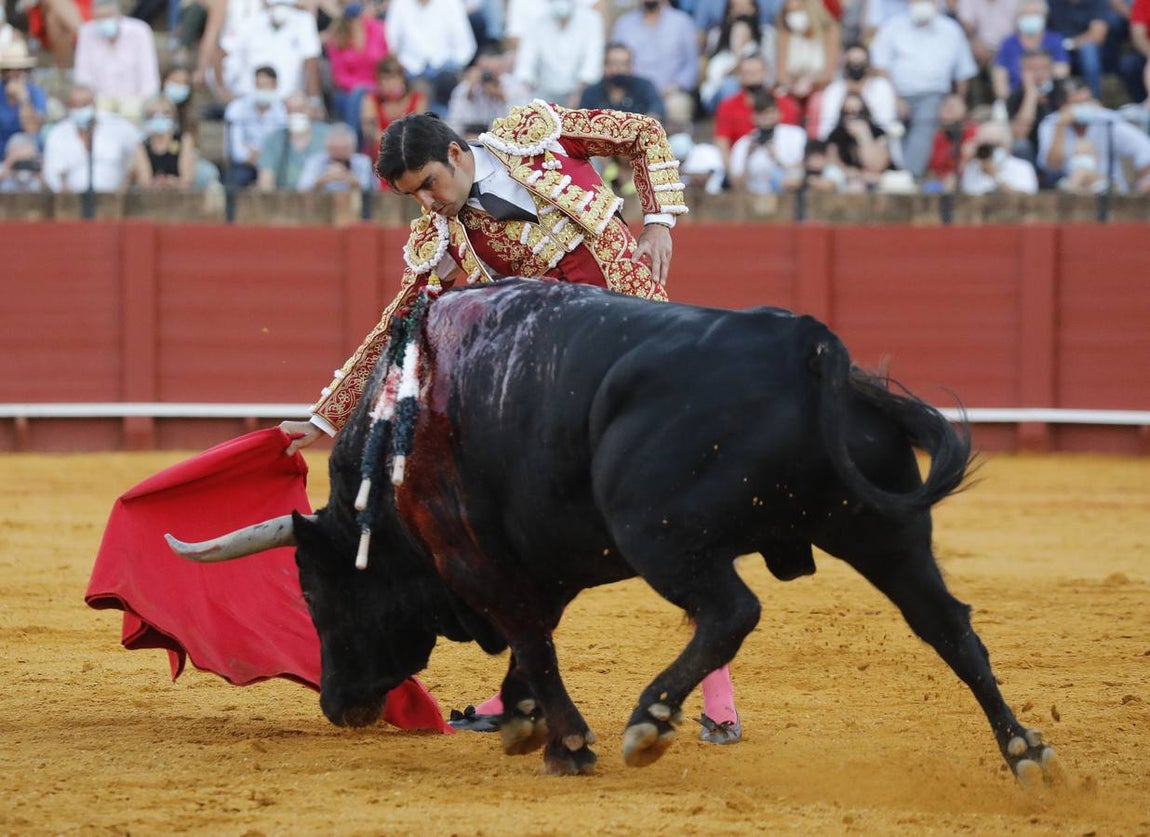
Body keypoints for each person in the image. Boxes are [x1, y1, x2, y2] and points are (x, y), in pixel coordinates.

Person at [279, 104, 741, 744]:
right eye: (416, 198)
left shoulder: (535, 133)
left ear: (459, 155)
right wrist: (326, 419)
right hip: (558, 381)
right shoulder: (440, 234)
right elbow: (400, 322)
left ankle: (717, 692)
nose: (431, 206)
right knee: (524, 535)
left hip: (639, 349)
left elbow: (641, 133)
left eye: (431, 186)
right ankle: (520, 694)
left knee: (677, 512)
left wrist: (659, 218)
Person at [870, 0, 977, 181]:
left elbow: (963, 73)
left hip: (935, 95)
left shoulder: (951, 30)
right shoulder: (892, 26)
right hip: (894, 94)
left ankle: (909, 177)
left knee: (926, 118)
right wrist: (895, 98)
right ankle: (887, 173)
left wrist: (957, 100)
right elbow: (879, 66)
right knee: (884, 115)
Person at [1037, 76, 1150, 192]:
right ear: (1062, 105)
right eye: (1078, 103)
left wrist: (1141, 182)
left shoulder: (1107, 120)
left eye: (1087, 101)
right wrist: (1061, 126)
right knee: (1079, 174)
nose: (1085, 107)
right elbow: (1051, 166)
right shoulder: (1051, 124)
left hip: (1110, 190)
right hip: (1072, 191)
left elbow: (1145, 150)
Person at [42, 83, 147, 192]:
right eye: (75, 104)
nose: (80, 109)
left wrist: (125, 189)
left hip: (117, 200)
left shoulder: (118, 127)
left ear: (94, 104)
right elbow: (51, 175)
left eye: (85, 104)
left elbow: (140, 161)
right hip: (71, 201)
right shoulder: (58, 134)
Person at [610, 0, 700, 125]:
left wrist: (675, 87)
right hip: (633, 93)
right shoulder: (624, 24)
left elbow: (692, 65)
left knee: (678, 105)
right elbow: (613, 60)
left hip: (670, 93)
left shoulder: (682, 22)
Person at [73, 0, 161, 121]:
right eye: (100, 17)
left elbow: (149, 78)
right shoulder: (87, 32)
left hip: (134, 104)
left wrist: (143, 106)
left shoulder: (140, 32)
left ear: (119, 15)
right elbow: (83, 77)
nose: (104, 21)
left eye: (108, 16)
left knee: (134, 111)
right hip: (100, 105)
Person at [385, 0, 476, 115]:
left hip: (445, 71)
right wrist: (404, 67)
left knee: (450, 83)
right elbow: (390, 44)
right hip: (411, 71)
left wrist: (449, 64)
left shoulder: (451, 3)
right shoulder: (399, 3)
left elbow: (466, 47)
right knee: (419, 90)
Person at [513, 0, 604, 108]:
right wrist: (527, 90)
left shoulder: (592, 20)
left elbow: (592, 61)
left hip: (581, 92)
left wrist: (578, 93)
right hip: (543, 93)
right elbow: (526, 62)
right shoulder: (537, 21)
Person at [698, 0, 776, 113]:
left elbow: (770, 73)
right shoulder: (717, 35)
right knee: (730, 86)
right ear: (729, 11)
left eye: (746, 7)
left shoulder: (766, 36)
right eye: (737, 7)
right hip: (721, 93)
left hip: (758, 88)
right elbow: (715, 78)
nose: (742, 11)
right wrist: (738, 56)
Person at [324, 0, 389, 134]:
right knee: (358, 97)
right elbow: (339, 76)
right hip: (349, 91)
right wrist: (361, 88)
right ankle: (354, 141)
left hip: (377, 86)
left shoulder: (378, 29)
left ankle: (353, 141)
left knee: (362, 97)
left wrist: (369, 87)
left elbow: (385, 63)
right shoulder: (336, 36)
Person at [774, 0, 839, 129]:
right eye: (789, 13)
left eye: (797, 11)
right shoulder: (785, 34)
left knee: (817, 103)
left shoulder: (830, 30)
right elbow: (780, 76)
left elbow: (829, 74)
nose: (793, 16)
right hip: (792, 88)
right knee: (780, 102)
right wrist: (793, 86)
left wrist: (810, 82)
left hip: (820, 87)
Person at [728, 87, 807, 193]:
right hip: (753, 199)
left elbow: (804, 170)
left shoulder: (795, 135)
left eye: (770, 113)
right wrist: (748, 158)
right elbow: (736, 186)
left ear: (779, 113)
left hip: (787, 197)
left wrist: (778, 159)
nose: (766, 118)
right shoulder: (744, 144)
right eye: (761, 114)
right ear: (753, 117)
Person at [991, 0, 1071, 102]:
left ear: (1045, 17)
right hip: (1015, 98)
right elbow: (999, 76)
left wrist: (1039, 91)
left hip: (1049, 99)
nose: (1030, 17)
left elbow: (1062, 71)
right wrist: (1009, 101)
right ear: (1018, 17)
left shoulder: (1054, 40)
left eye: (1035, 14)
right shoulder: (1008, 43)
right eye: (1026, 14)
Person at [816, 42, 897, 141]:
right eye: (852, 63)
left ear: (869, 66)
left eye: (861, 63)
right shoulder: (833, 90)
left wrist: (863, 133)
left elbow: (887, 126)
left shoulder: (882, 87)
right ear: (844, 66)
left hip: (875, 143)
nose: (856, 67)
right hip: (841, 144)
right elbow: (826, 129)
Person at [223, 65, 287, 188]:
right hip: (244, 163)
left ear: (275, 86)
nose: (262, 89)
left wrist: (263, 157)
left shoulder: (282, 110)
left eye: (266, 86)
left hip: (273, 164)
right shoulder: (237, 108)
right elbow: (235, 148)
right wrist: (254, 157)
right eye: (259, 85)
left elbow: (280, 143)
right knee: (234, 181)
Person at [446, 46, 529, 139]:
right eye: (485, 69)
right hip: (472, 139)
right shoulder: (465, 88)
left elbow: (522, 121)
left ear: (501, 68)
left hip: (505, 140)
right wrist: (469, 92)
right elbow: (455, 122)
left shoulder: (513, 86)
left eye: (493, 70)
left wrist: (501, 95)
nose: (488, 75)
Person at [258, 91, 329, 189]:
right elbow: (266, 179)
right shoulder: (274, 139)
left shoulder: (327, 135)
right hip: (284, 197)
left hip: (320, 195)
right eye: (291, 110)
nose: (296, 114)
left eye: (301, 109)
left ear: (311, 110)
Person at [824, 91, 894, 191]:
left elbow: (877, 165)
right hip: (849, 183)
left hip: (877, 183)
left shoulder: (878, 133)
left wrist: (864, 137)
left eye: (858, 113)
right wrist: (848, 172)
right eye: (847, 113)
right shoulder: (836, 134)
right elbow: (832, 162)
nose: (852, 117)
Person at [579, 42, 665, 121]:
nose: (619, 69)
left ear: (631, 66)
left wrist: (645, 123)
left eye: (624, 64)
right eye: (614, 64)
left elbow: (656, 111)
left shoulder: (645, 87)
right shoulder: (591, 93)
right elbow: (584, 120)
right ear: (604, 66)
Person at [361, 55, 426, 155]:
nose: (388, 84)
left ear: (402, 79)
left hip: (410, 150)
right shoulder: (371, 99)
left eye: (392, 78)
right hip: (382, 152)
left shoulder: (418, 99)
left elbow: (418, 131)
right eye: (383, 79)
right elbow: (371, 133)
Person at [1045, 0, 1108, 98]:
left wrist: (1070, 44)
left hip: (1081, 49)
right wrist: (1058, 46)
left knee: (1089, 50)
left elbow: (1097, 35)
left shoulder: (1097, 2)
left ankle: (1094, 98)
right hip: (1056, 48)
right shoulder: (1051, 2)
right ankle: (1056, 102)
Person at [959, 120, 1039, 194]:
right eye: (985, 146)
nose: (990, 151)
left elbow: (1026, 201)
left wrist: (996, 176)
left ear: (1007, 147)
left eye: (995, 145)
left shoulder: (1022, 167)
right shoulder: (972, 168)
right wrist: (965, 160)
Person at [138, 95, 197, 189]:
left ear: (173, 117)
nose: (159, 118)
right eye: (153, 114)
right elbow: (145, 182)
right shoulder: (142, 145)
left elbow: (187, 180)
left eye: (165, 113)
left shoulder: (184, 140)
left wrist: (170, 182)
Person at [295, 121, 374, 191]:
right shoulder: (315, 161)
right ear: (327, 147)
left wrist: (348, 178)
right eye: (334, 149)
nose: (338, 154)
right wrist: (322, 180)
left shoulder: (363, 162)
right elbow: (302, 189)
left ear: (352, 148)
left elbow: (372, 191)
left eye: (343, 149)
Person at [0, 40, 47, 156]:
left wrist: (23, 98)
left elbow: (32, 129)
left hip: (26, 154)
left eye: (19, 68)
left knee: (20, 140)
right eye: (9, 69)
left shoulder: (36, 92)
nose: (14, 73)